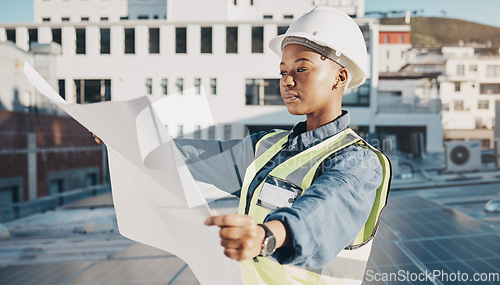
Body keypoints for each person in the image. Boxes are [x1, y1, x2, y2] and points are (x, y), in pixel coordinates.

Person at [95, 6, 391, 285]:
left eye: (301, 69)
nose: (287, 81)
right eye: (282, 71)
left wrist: (266, 236)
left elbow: (324, 213)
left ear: (340, 78)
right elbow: (193, 158)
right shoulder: (267, 147)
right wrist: (130, 140)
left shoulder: (358, 162)